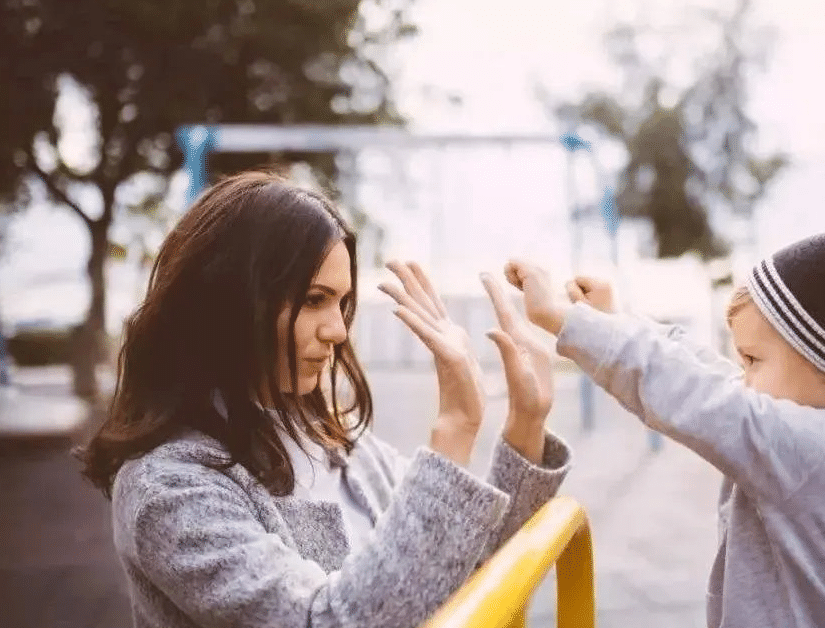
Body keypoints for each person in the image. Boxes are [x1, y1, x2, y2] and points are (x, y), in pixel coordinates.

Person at [75, 171, 571, 628]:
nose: (337, 330)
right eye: (314, 300)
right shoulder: (167, 488)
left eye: (342, 302)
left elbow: (463, 568)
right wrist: (456, 428)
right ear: (230, 301)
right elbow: (326, 621)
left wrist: (526, 424)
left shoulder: (338, 440)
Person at [502, 205, 825, 627]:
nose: (742, 376)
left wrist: (566, 321)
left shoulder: (819, 451)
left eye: (753, 359)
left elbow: (694, 392)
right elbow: (706, 371)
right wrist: (617, 319)